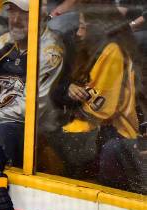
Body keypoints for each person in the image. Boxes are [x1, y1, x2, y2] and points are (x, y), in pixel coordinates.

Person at [49, 5, 142, 189]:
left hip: (117, 131)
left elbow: (101, 110)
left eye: (83, 27)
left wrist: (70, 103)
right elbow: (59, 87)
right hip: (95, 129)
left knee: (64, 141)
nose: (78, 33)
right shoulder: (87, 51)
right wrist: (68, 88)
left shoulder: (114, 51)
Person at [0, 0, 64, 166]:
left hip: (36, 134)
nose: (15, 20)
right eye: (12, 12)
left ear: (40, 15)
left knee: (3, 133)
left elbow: (28, 110)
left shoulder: (49, 54)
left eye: (24, 14)